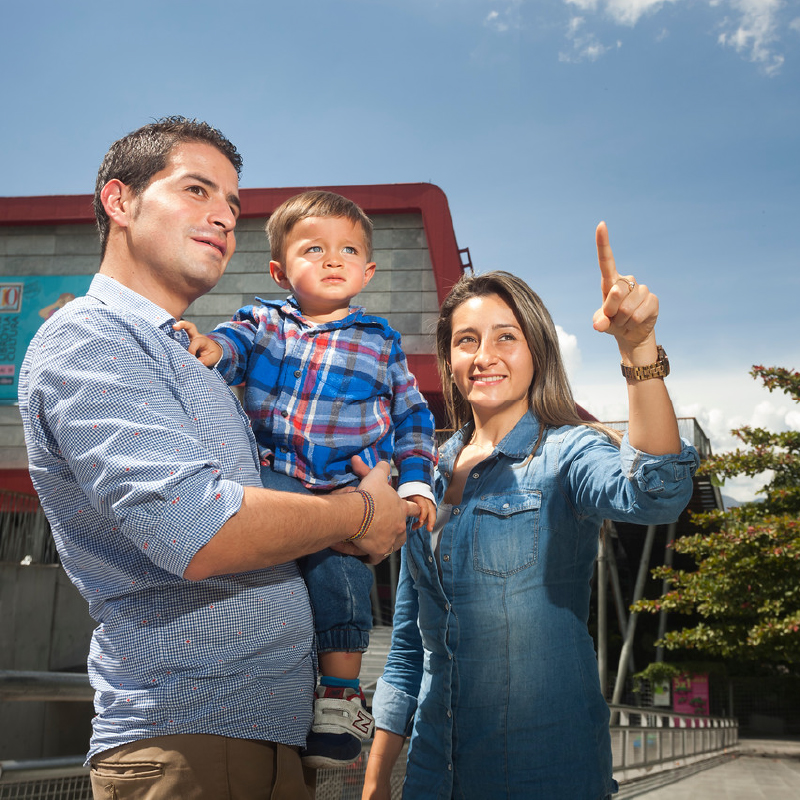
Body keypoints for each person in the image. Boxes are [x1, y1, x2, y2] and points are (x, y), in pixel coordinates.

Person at [17, 117, 416, 800]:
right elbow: (197, 529)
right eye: (197, 191)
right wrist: (359, 513)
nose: (224, 219)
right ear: (119, 201)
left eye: (232, 206)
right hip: (191, 735)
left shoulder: (194, 361)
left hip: (266, 736)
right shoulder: (90, 337)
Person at [361, 224, 701, 799]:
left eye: (505, 338)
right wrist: (374, 786)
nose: (484, 356)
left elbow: (657, 493)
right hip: (430, 775)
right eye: (467, 340)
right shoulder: (424, 473)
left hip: (545, 774)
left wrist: (637, 349)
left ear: (536, 351)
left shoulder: (569, 451)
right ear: (448, 355)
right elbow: (406, 654)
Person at [175, 189, 437, 768]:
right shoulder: (264, 321)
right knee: (269, 566)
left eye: (347, 250)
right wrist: (211, 347)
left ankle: (341, 698)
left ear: (367, 271)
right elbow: (234, 347)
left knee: (342, 580)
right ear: (279, 269)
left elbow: (415, 417)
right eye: (313, 248)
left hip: (348, 486)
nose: (332, 259)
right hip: (276, 476)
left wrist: (415, 483)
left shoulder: (382, 341)